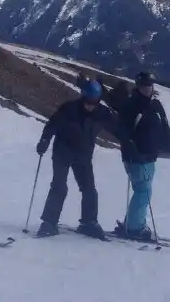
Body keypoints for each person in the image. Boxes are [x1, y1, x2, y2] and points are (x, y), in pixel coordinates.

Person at [34, 80, 117, 239]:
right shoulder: (69, 109)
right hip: (62, 153)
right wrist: (44, 141)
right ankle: (49, 223)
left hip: (83, 155)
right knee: (59, 187)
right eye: (88, 101)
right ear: (83, 97)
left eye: (95, 102)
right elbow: (52, 125)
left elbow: (118, 127)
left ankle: (89, 223)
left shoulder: (101, 113)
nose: (91, 105)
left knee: (89, 190)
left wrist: (130, 142)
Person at [113, 72, 170, 240]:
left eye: (150, 85)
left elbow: (164, 131)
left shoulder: (155, 105)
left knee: (144, 190)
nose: (148, 88)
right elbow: (122, 132)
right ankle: (134, 227)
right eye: (145, 85)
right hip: (136, 156)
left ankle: (133, 222)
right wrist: (130, 148)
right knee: (143, 191)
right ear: (138, 86)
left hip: (150, 156)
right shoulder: (130, 106)